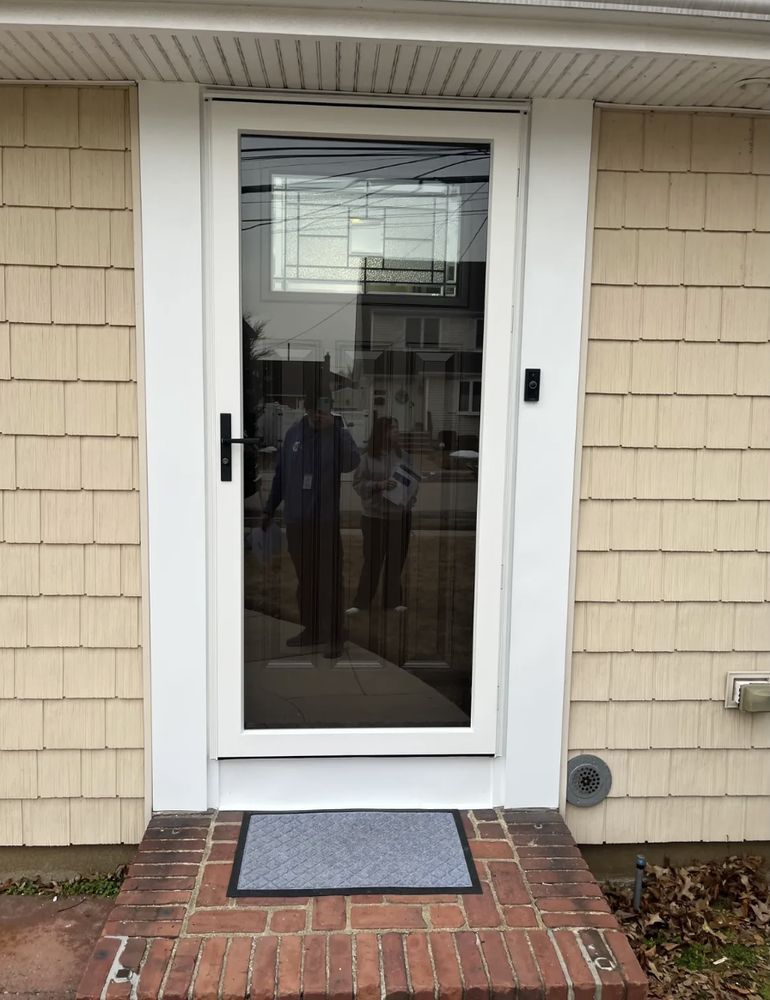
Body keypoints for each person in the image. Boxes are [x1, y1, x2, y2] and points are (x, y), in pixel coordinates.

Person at [261, 381, 360, 658]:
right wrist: (269, 510)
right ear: (306, 409)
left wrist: (337, 430)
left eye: (324, 410)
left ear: (331, 410)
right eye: (314, 410)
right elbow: (281, 475)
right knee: (306, 580)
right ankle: (313, 630)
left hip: (325, 523)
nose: (319, 415)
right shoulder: (293, 434)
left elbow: (352, 461)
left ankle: (336, 636)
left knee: (329, 580)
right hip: (296, 523)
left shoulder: (337, 434)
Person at [348, 417, 419, 615]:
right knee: (372, 561)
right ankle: (361, 603)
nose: (397, 431)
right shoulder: (368, 458)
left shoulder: (404, 456)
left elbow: (413, 483)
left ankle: (393, 601)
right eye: (392, 428)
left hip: (400, 518)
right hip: (374, 518)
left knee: (396, 560)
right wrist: (379, 485)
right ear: (381, 433)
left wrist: (409, 498)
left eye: (397, 427)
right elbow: (358, 484)